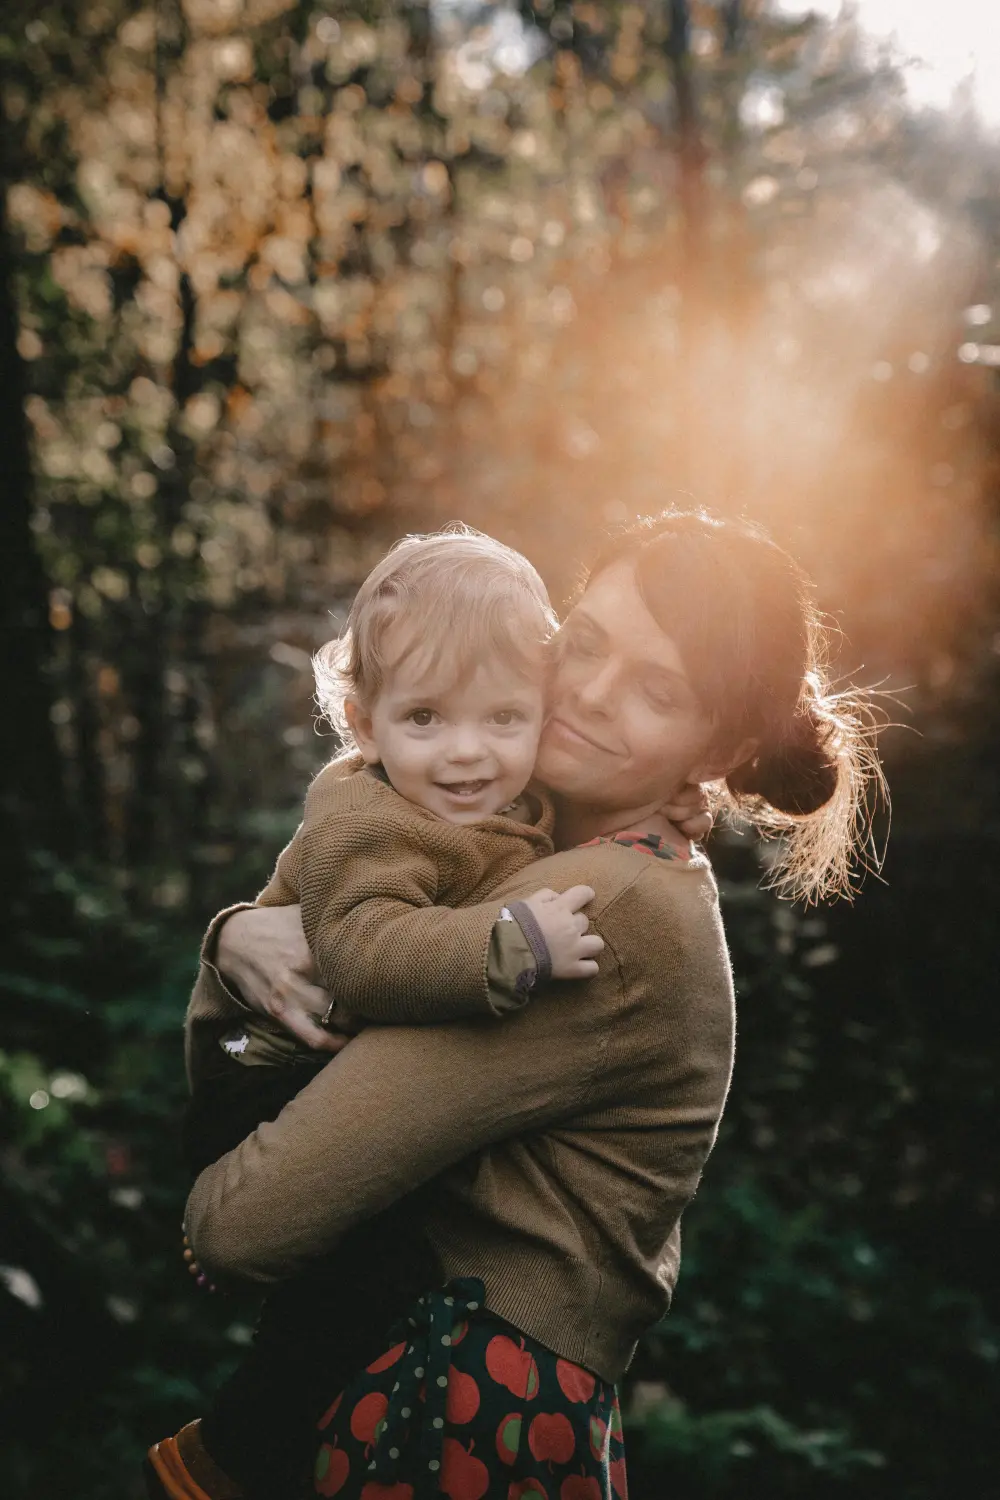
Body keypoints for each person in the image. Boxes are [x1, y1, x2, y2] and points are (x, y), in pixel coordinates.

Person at [178, 511, 882, 1500]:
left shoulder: (602, 906)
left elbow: (247, 1223)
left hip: (453, 1407)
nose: (589, 694)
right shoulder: (551, 843)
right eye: (584, 643)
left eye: (656, 689)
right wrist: (236, 940)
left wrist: (200, 1204)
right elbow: (350, 906)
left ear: (714, 743)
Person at [148, 527, 610, 1500]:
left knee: (387, 1274)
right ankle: (228, 1455)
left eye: (503, 718)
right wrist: (509, 946)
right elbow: (361, 960)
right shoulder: (371, 819)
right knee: (372, 1280)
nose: (467, 753)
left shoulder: (488, 805)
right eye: (426, 718)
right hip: (256, 1070)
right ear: (363, 722)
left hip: (304, 1061)